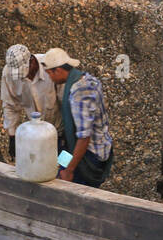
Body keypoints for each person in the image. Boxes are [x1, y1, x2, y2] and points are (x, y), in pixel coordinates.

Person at [41, 47, 114, 188]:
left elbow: (84, 137)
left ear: (59, 70)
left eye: (50, 73)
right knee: (57, 167)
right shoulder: (87, 78)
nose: (49, 78)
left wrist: (69, 170)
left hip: (90, 152)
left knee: (73, 188)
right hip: (72, 146)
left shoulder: (79, 93)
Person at [0, 44, 60, 159]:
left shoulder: (50, 66)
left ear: (32, 61)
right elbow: (10, 106)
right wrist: (13, 136)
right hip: (35, 133)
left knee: (62, 165)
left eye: (23, 72)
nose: (22, 77)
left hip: (58, 129)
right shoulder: (8, 74)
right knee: (38, 165)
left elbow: (65, 99)